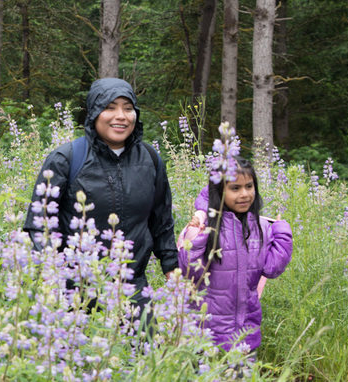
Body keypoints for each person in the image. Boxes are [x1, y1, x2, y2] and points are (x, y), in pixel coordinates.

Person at [21, 77, 180, 299]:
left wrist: (172, 267)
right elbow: (40, 225)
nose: (121, 116)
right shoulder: (66, 159)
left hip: (132, 287)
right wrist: (50, 278)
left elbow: (161, 220)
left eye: (128, 108)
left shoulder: (150, 159)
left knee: (144, 334)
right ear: (94, 113)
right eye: (109, 108)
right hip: (76, 290)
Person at [179, 158, 293, 351]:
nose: (245, 194)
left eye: (249, 186)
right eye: (235, 188)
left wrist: (282, 233)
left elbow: (272, 269)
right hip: (204, 332)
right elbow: (188, 272)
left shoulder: (261, 226)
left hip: (246, 330)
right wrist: (199, 232)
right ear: (219, 191)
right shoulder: (205, 226)